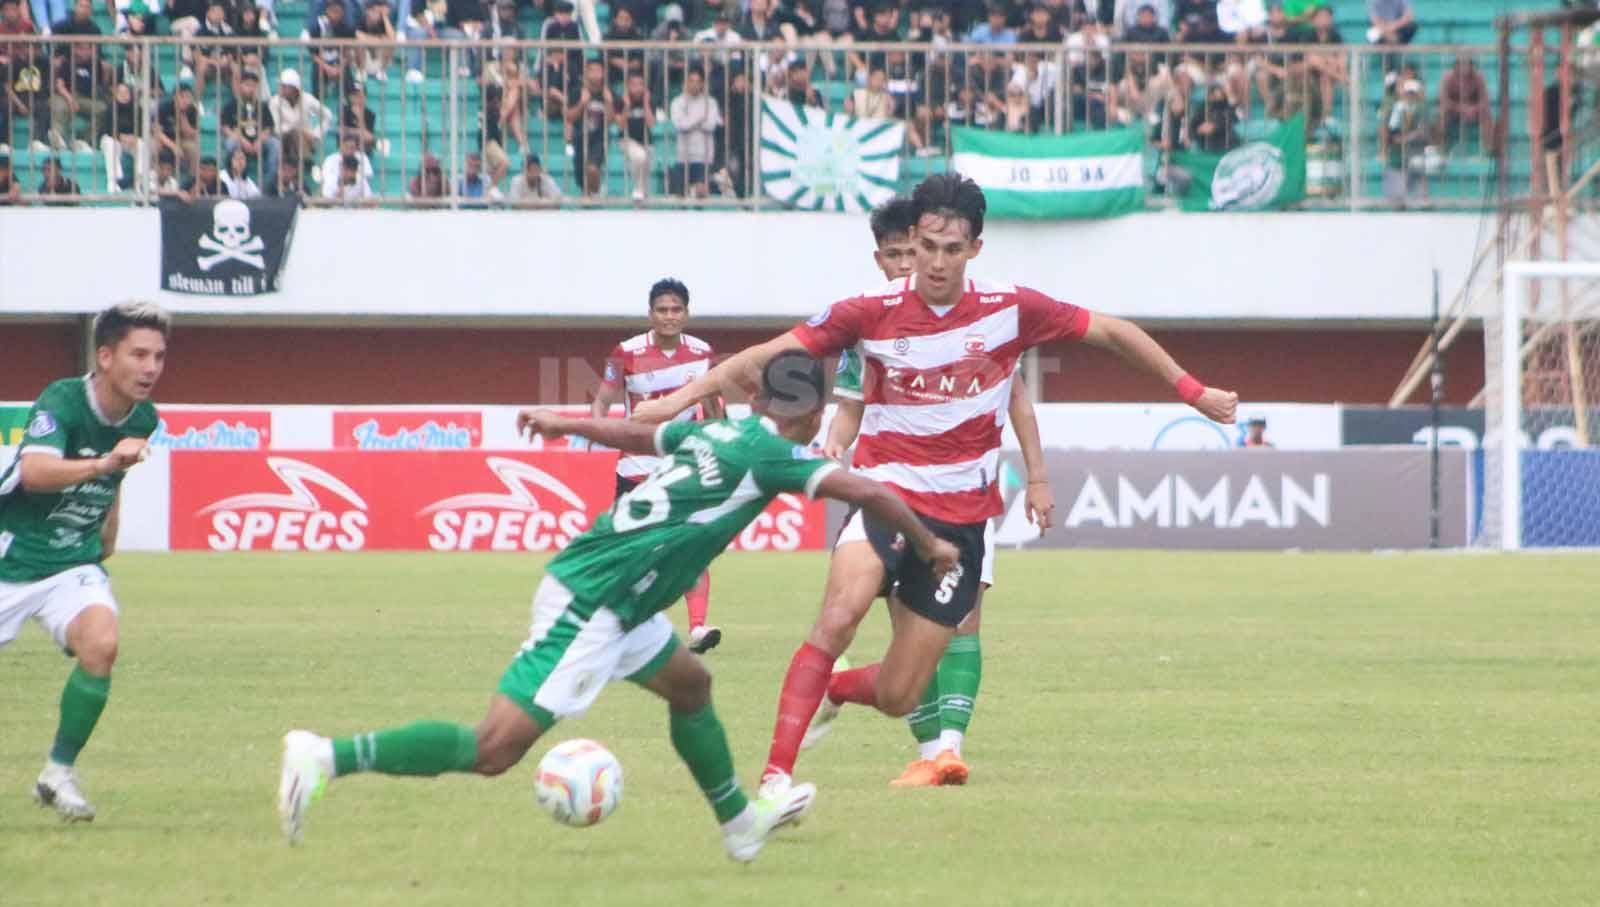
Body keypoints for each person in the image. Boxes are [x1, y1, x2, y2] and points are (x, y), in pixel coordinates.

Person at [633, 173, 1239, 796]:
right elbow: (765, 352)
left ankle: (834, 688)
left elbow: (1112, 331)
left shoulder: (1011, 308)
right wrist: (670, 402)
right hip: (883, 495)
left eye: (953, 249)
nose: (938, 262)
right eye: (927, 247)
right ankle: (773, 783)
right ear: (912, 243)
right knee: (838, 616)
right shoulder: (870, 311)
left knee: (899, 694)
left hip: (959, 524)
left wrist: (1191, 392)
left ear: (975, 247)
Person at [276, 353, 961, 862]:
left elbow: (640, 437)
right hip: (594, 601)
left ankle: (739, 824)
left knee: (691, 684)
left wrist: (566, 422)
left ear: (758, 396)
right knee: (494, 747)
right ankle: (326, 756)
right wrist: (930, 545)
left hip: (623, 601)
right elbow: (867, 492)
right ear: (813, 414)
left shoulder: (714, 434)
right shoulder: (774, 456)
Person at [819, 197, 1056, 787]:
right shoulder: (868, 326)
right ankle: (928, 748)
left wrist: (1039, 477)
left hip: (968, 497)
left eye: (918, 251)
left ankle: (949, 749)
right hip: (891, 492)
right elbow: (849, 407)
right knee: (910, 635)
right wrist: (832, 444)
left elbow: (1018, 403)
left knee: (966, 619)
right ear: (883, 260)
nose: (912, 264)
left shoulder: (983, 319)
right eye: (900, 254)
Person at [0, 302, 169, 822]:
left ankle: (58, 772)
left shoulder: (146, 418)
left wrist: (107, 530)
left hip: (70, 562)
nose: (151, 367)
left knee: (102, 643)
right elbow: (35, 472)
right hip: (11, 554)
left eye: (159, 356)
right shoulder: (64, 399)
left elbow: (113, 478)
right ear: (105, 355)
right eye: (139, 354)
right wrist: (103, 462)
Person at [587, 278, 724, 653]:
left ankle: (698, 627)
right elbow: (603, 400)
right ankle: (615, 623)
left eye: (676, 309)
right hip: (637, 464)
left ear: (686, 313)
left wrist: (720, 441)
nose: (669, 316)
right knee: (632, 549)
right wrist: (597, 428)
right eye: (662, 310)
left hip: (685, 466)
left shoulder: (702, 353)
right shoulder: (626, 352)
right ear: (651, 314)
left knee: (692, 545)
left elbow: (715, 407)